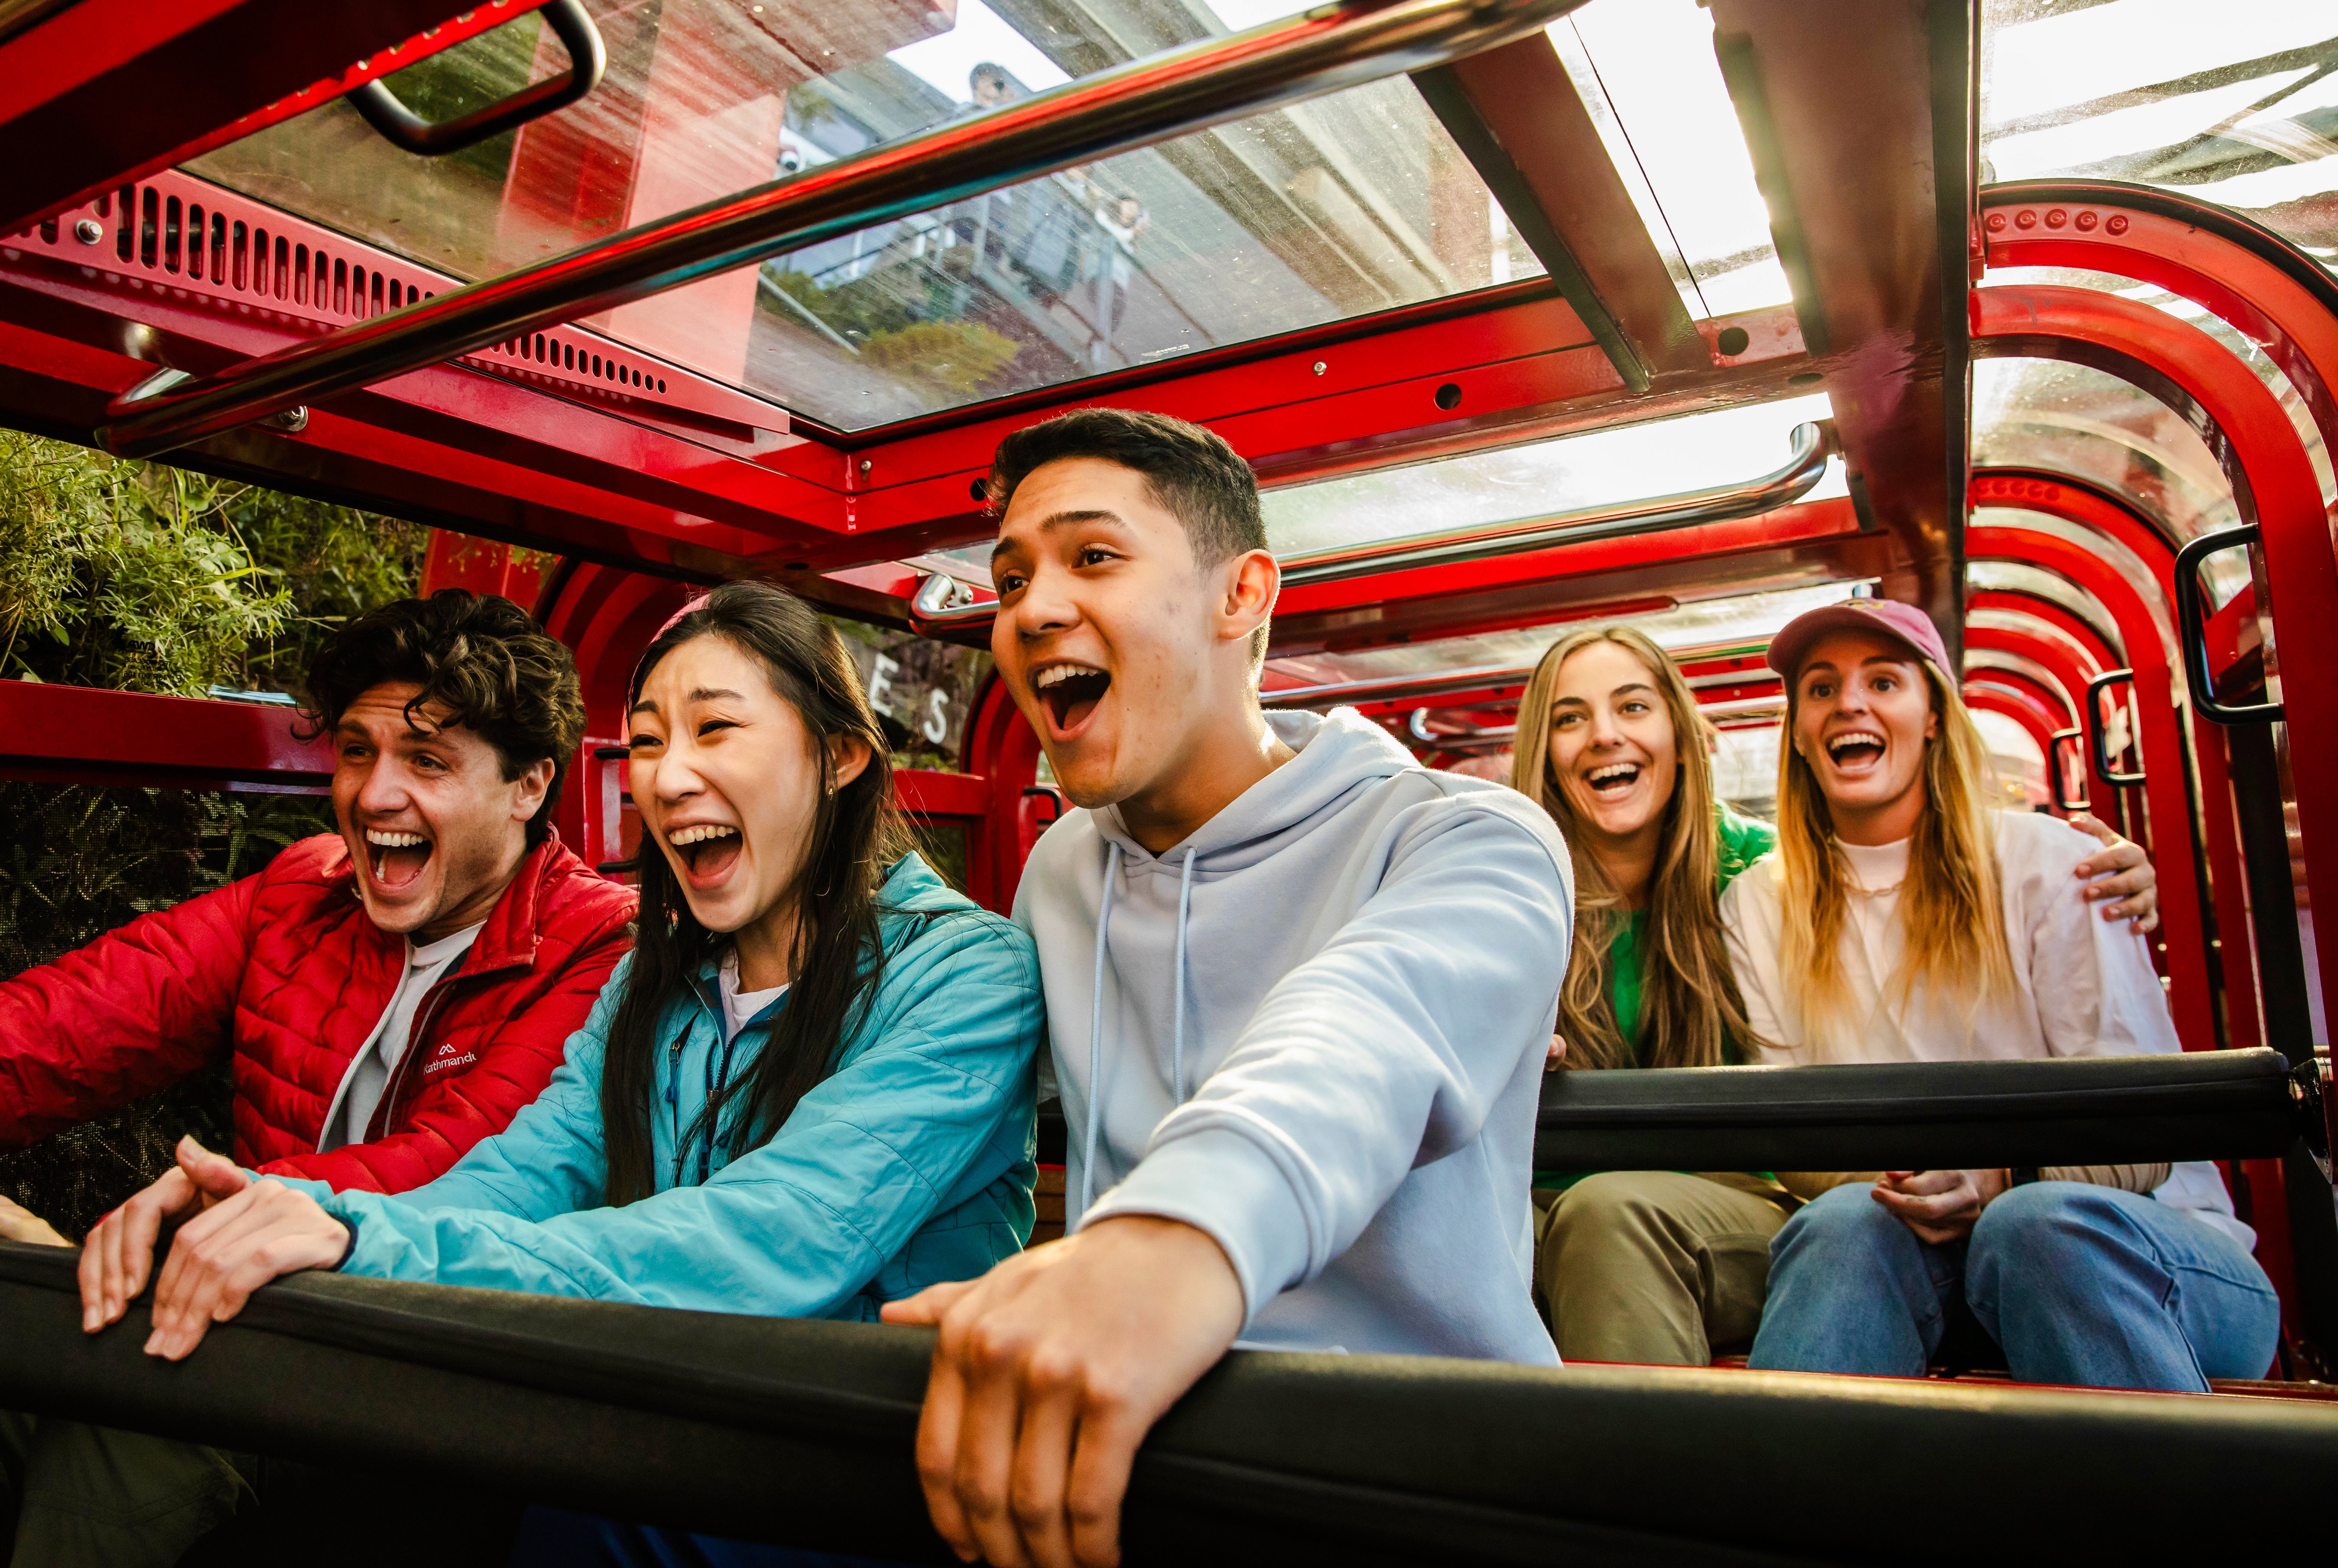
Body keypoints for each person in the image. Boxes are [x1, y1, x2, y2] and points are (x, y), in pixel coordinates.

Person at [74, 581, 1045, 1565]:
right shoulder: (655, 981)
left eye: (715, 731)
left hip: (856, 1472)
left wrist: (359, 1237)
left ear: (838, 756)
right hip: (651, 1427)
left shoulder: (964, 976)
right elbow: (526, 1174)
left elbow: (768, 1241)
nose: (665, 779)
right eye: (651, 742)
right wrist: (307, 1214)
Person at [883, 408, 1575, 1568]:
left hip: (1418, 1474)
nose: (1035, 608)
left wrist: (1165, 1242)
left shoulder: (1470, 839)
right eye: (1011, 579)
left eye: (1092, 557)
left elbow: (1364, 1030)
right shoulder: (1059, 871)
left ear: (1241, 596)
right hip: (1124, 1457)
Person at [0, 589, 635, 1568]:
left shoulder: (599, 944)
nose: (376, 795)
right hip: (235, 1313)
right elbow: (40, 1034)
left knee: (134, 1412)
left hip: (428, 1370)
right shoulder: (304, 894)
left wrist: (136, 1248)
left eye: (427, 761)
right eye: (355, 751)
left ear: (528, 787)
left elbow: (460, 1167)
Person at [1511, 625, 2159, 1368]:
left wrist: (2108, 873)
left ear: (1684, 738)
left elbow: (1881, 876)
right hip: (1542, 1202)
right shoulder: (1511, 895)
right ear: (1545, 754)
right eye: (1569, 718)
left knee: (1609, 1218)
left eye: (1631, 708)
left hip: (1712, 1208)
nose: (1602, 737)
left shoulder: (1756, 880)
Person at [1726, 597, 2279, 1391]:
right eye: (1821, 689)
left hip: (2151, 1255)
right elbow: (1795, 1145)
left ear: (1935, 720)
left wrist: (1996, 1182)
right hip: (1922, 1258)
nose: (1849, 703)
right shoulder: (1757, 904)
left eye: (1883, 683)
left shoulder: (2054, 863)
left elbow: (2142, 1130)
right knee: (1843, 1224)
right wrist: (1912, 1187)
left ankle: (2175, 1509)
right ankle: (1782, 1510)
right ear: (1802, 738)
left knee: (2035, 1227)